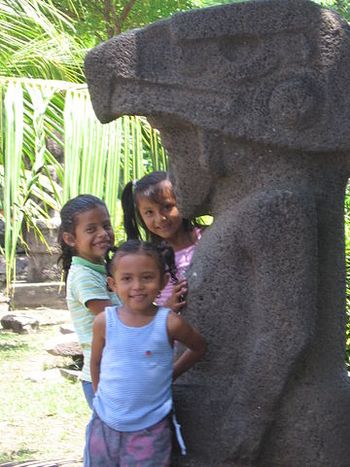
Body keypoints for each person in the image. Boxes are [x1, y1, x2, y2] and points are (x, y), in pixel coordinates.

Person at [84, 240, 206, 467]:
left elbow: (199, 347)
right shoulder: (104, 322)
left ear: (163, 281)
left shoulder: (169, 323)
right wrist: (100, 396)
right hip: (106, 424)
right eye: (127, 278)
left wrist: (171, 374)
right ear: (112, 283)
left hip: (151, 427)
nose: (137, 286)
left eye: (147, 277)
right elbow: (96, 361)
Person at [57, 194, 121, 409]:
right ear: (70, 239)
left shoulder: (101, 269)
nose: (103, 234)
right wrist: (162, 313)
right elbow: (116, 321)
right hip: (103, 378)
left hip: (117, 372)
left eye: (106, 225)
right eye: (91, 229)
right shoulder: (84, 276)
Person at [122, 171, 203, 312]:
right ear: (141, 216)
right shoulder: (149, 258)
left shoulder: (203, 236)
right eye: (149, 212)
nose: (160, 218)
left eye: (167, 207)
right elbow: (142, 307)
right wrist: (167, 308)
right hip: (175, 330)